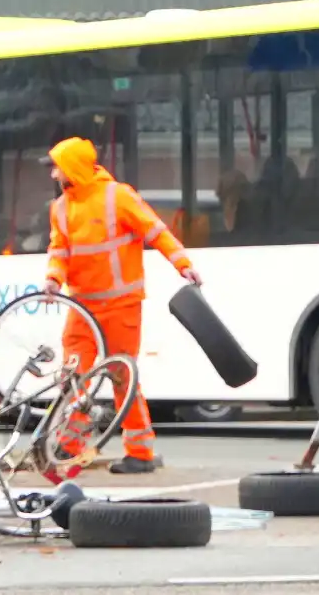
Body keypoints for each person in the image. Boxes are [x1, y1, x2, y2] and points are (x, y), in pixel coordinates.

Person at [41, 137, 201, 475]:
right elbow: (59, 250)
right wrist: (54, 278)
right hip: (82, 308)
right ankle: (70, 447)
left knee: (121, 378)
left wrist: (182, 263)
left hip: (120, 306)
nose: (54, 174)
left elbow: (155, 231)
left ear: (73, 169)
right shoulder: (60, 209)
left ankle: (140, 452)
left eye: (58, 167)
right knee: (74, 379)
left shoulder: (117, 196)